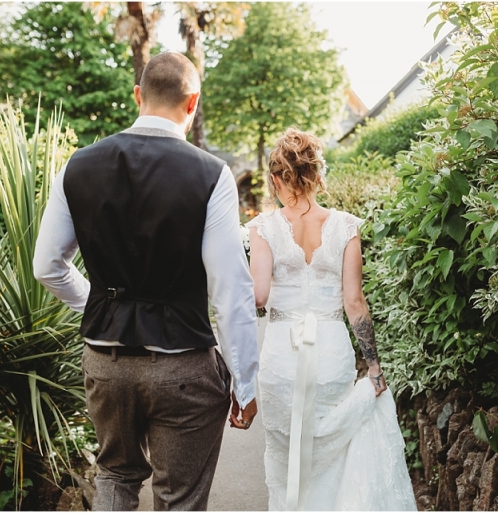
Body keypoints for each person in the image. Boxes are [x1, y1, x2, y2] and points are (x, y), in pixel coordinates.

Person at [33, 51, 258, 511]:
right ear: (192, 101)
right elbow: (230, 288)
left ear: (138, 95)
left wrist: (99, 304)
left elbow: (47, 266)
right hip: (184, 368)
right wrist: (246, 381)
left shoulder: (76, 166)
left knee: (114, 477)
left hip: (106, 362)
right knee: (179, 499)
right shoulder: (211, 175)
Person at [245, 128, 417, 511]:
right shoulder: (345, 226)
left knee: (286, 455)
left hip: (282, 356)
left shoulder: (264, 228)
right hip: (331, 353)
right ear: (316, 174)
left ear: (276, 179)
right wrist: (373, 366)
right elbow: (355, 302)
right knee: (334, 456)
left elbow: (258, 297)